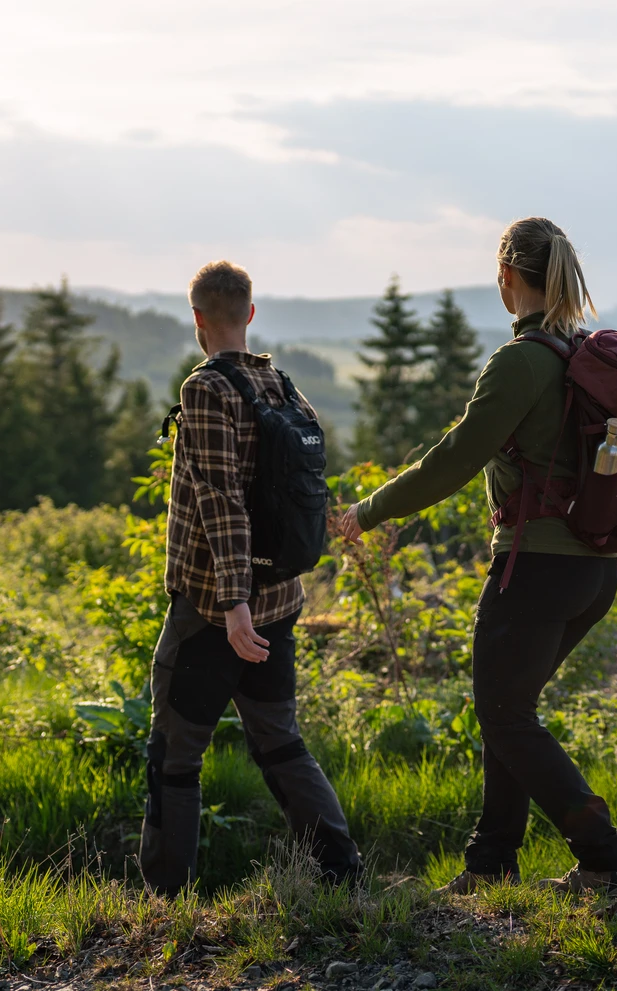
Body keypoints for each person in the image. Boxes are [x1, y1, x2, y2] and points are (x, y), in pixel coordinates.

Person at [338, 218, 617, 896]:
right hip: (592, 574)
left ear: (506, 278)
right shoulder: (586, 356)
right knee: (509, 707)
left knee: (505, 713)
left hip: (535, 574)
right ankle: (491, 863)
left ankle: (607, 856)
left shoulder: (520, 362)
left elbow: (455, 459)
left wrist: (366, 511)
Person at [140, 260, 362, 895]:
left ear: (198, 320)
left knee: (175, 755)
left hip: (215, 607)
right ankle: (342, 878)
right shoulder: (283, 386)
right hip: (281, 597)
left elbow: (221, 500)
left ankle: (164, 900)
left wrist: (233, 602)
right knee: (279, 741)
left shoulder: (205, 391)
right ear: (251, 314)